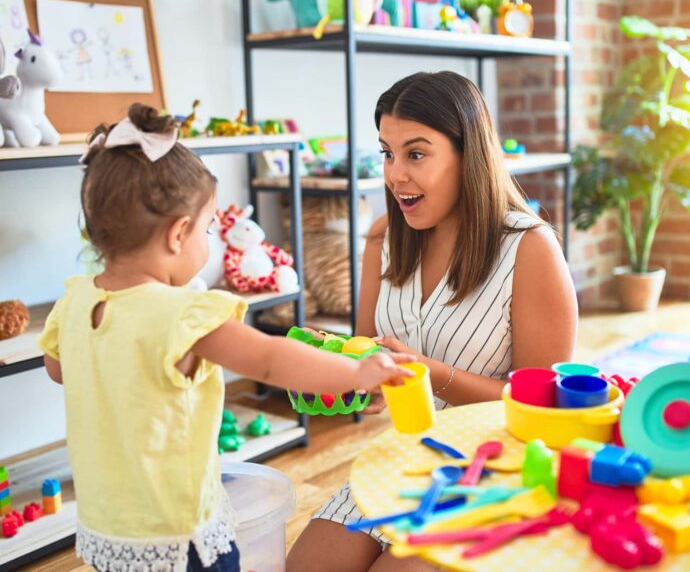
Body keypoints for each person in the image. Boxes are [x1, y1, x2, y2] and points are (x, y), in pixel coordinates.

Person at [38, 104, 414, 572]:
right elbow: (272, 360)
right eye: (210, 227)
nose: (211, 239)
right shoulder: (183, 314)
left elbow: (59, 369)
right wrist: (355, 371)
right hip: (178, 531)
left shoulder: (72, 303)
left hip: (108, 527)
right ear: (178, 233)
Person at [287, 71, 578, 572]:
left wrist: (428, 373)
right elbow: (369, 351)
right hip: (407, 457)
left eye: (416, 154)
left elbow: (545, 408)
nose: (395, 174)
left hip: (496, 470)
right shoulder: (385, 237)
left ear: (469, 156)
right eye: (387, 153)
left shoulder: (530, 249)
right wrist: (342, 368)